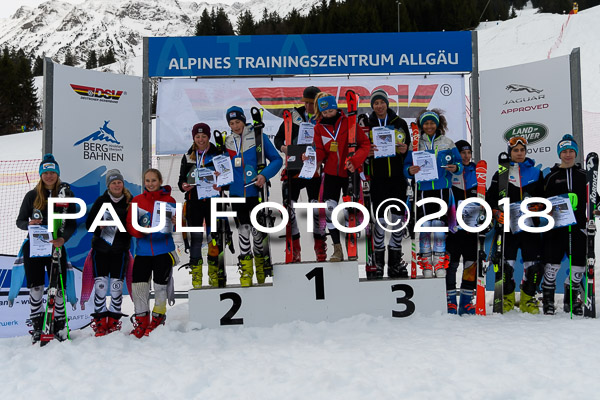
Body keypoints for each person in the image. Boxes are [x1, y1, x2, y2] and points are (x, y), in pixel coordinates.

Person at [15, 153, 77, 343]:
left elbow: (72, 223)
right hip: (34, 247)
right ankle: (37, 325)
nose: (49, 176)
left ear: (57, 174)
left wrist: (63, 239)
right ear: (41, 175)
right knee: (36, 287)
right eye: (46, 173)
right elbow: (19, 221)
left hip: (56, 247)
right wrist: (29, 223)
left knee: (57, 287)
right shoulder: (32, 195)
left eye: (52, 172)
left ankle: (58, 324)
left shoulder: (66, 194)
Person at [223, 106, 283, 286]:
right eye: (232, 123)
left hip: (255, 191)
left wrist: (264, 175)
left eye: (238, 122)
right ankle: (246, 271)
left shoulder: (258, 136)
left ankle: (261, 268)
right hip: (235, 193)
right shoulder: (227, 142)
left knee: (257, 232)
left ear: (243, 120)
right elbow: (222, 167)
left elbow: (277, 159)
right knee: (243, 230)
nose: (235, 126)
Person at [486, 136, 544, 314]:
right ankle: (507, 299)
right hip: (507, 228)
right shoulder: (501, 173)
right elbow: (490, 199)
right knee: (506, 267)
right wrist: (496, 212)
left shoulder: (535, 173)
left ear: (526, 152)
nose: (519, 153)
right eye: (515, 151)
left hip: (529, 226)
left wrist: (538, 207)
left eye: (522, 150)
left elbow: (543, 198)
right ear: (510, 152)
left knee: (533, 266)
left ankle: (528, 300)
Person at [403, 109, 462, 278]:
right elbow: (406, 167)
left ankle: (439, 261)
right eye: (426, 123)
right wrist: (410, 170)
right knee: (425, 226)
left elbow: (459, 163)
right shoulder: (416, 143)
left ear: (438, 124)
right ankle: (426, 263)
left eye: (432, 123)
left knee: (439, 227)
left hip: (442, 189)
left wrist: (456, 167)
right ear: (421, 125)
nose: (429, 126)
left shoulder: (448, 143)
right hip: (422, 189)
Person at [313, 92, 370, 262]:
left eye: (330, 111)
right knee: (329, 210)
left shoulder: (349, 122)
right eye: (325, 113)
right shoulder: (318, 128)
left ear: (335, 108)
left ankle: (350, 245)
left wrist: (355, 160)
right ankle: (337, 248)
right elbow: (320, 151)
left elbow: (364, 144)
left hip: (349, 172)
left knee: (348, 212)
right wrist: (311, 160)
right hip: (331, 174)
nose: (328, 115)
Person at [274, 86, 327, 262]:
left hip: (315, 169)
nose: (309, 107)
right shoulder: (293, 117)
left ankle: (320, 247)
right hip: (294, 167)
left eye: (312, 104)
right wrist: (283, 148)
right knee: (289, 208)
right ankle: (294, 248)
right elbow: (278, 139)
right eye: (306, 103)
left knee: (316, 208)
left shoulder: (323, 116)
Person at [126, 168, 177, 337]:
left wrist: (176, 223)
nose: (150, 184)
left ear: (160, 181)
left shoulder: (169, 200)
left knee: (161, 287)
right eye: (147, 181)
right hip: (143, 251)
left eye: (153, 180)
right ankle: (141, 320)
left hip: (163, 250)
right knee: (139, 287)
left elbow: (173, 227)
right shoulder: (137, 200)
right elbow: (131, 225)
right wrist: (141, 231)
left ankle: (158, 317)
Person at [364, 88, 410, 278]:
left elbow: (409, 149)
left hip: (398, 178)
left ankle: (395, 262)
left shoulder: (399, 123)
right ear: (372, 106)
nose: (379, 106)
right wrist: (367, 153)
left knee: (398, 219)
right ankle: (378, 262)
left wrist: (405, 150)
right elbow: (360, 149)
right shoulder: (368, 124)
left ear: (387, 103)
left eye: (382, 102)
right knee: (381, 220)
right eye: (375, 103)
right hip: (378, 178)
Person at [542, 135, 587, 315]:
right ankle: (548, 301)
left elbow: (594, 200)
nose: (568, 155)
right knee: (552, 266)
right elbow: (542, 202)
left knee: (578, 266)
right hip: (556, 228)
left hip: (579, 227)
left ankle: (572, 299)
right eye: (564, 152)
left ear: (575, 153)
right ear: (559, 154)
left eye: (571, 151)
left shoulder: (584, 175)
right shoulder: (551, 176)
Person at [85, 169, 132, 336]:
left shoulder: (129, 200)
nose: (117, 185)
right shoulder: (101, 201)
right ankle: (99, 322)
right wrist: (98, 226)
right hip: (101, 250)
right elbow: (89, 225)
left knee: (116, 286)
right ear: (108, 185)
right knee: (101, 285)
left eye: (119, 182)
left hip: (120, 250)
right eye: (113, 183)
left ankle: (113, 321)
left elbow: (135, 224)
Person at [178, 122, 221, 288]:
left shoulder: (218, 153)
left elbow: (226, 176)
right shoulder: (188, 156)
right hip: (194, 202)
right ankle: (196, 276)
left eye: (204, 136)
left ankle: (213, 273)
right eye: (198, 136)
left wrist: (220, 179)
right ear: (193, 138)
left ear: (208, 137)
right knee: (196, 239)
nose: (201, 139)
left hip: (212, 201)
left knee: (213, 238)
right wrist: (184, 186)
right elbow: (181, 180)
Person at [446, 140, 478, 314]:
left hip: (471, 228)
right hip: (454, 227)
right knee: (451, 264)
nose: (466, 156)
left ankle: (466, 300)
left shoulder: (477, 172)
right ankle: (450, 300)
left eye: (468, 152)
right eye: (462, 153)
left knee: (471, 263)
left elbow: (484, 199)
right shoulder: (451, 172)